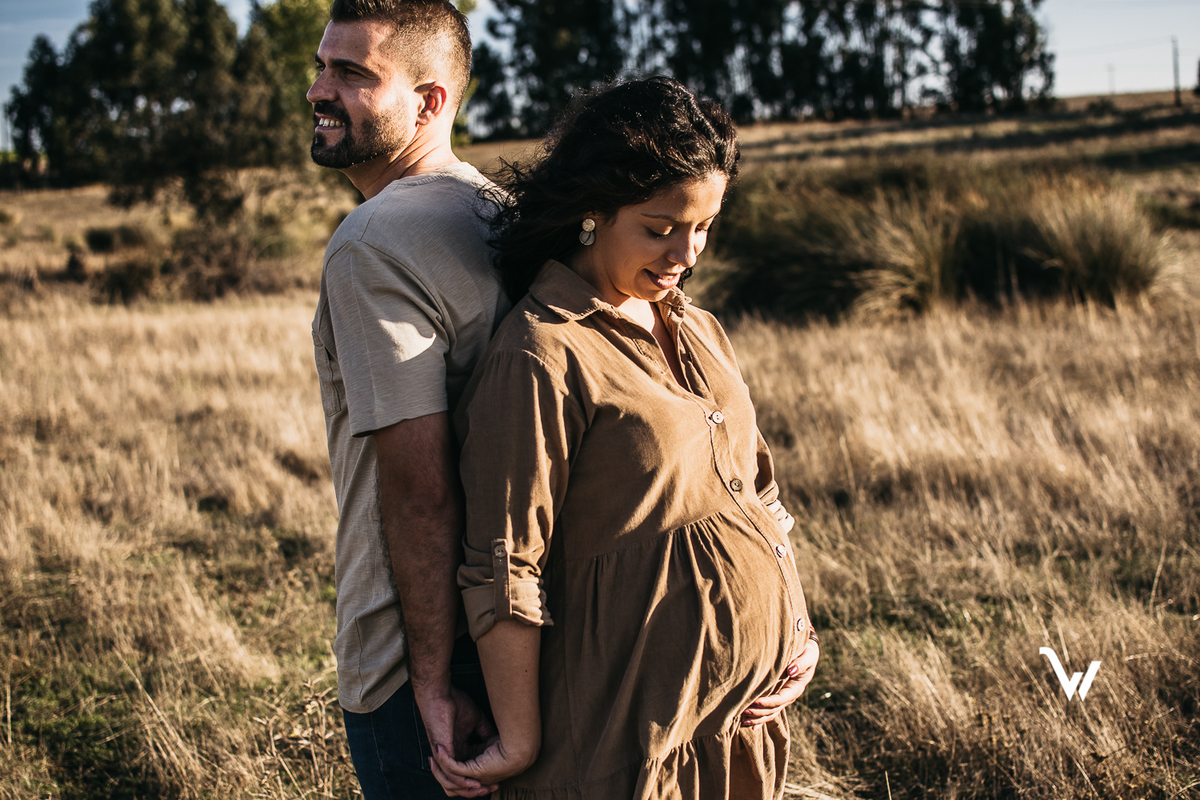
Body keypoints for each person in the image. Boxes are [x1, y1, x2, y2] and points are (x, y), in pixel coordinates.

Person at [434, 76, 820, 799]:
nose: (686, 253)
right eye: (660, 227)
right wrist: (519, 736)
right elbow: (504, 565)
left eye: (704, 227)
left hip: (734, 729)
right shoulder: (541, 354)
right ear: (593, 212)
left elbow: (756, 494)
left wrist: (797, 630)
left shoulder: (698, 328)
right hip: (627, 743)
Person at [307, 1, 508, 797]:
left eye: (352, 72)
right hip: (515, 630)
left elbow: (420, 490)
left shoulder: (373, 243)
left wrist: (427, 681)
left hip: (417, 656)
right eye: (322, 66)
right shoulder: (499, 212)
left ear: (430, 102)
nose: (319, 90)